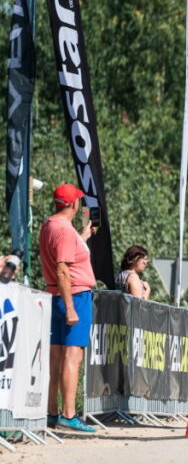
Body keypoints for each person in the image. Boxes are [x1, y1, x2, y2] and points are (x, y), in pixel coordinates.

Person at [39, 184, 97, 433]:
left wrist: (82, 237)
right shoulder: (63, 230)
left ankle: (53, 411)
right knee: (73, 356)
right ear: (73, 204)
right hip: (73, 296)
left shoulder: (50, 225)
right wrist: (72, 308)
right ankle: (69, 414)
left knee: (56, 357)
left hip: (57, 294)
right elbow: (63, 268)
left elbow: (65, 257)